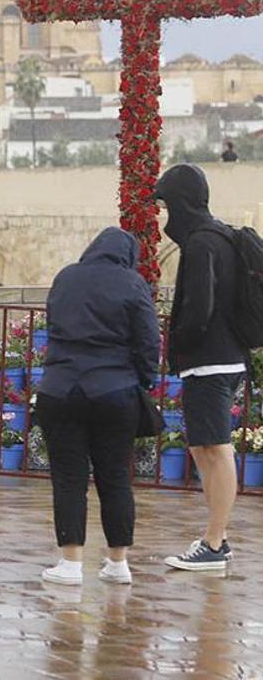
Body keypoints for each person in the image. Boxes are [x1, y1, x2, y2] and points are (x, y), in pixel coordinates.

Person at [35, 227, 160, 586]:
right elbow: (149, 338)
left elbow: (54, 324)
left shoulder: (66, 277)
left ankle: (71, 563)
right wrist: (146, 378)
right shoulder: (132, 282)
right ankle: (118, 563)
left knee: (69, 478)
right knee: (116, 476)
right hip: (115, 391)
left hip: (61, 390)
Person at [155, 163, 246, 570]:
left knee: (217, 448)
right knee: (202, 447)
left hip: (211, 361)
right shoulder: (218, 237)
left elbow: (199, 307)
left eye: (166, 204)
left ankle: (214, 543)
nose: (163, 215)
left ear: (182, 203)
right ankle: (217, 535)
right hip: (218, 358)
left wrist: (180, 345)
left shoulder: (202, 243)